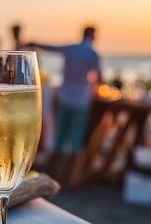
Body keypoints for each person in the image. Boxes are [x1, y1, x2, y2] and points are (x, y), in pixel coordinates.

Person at [29, 26, 101, 176]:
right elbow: (100, 77)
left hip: (65, 97)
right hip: (81, 101)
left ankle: (50, 173)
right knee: (75, 140)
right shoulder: (92, 54)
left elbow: (51, 47)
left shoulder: (71, 49)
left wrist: (34, 42)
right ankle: (70, 176)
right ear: (93, 36)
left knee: (59, 138)